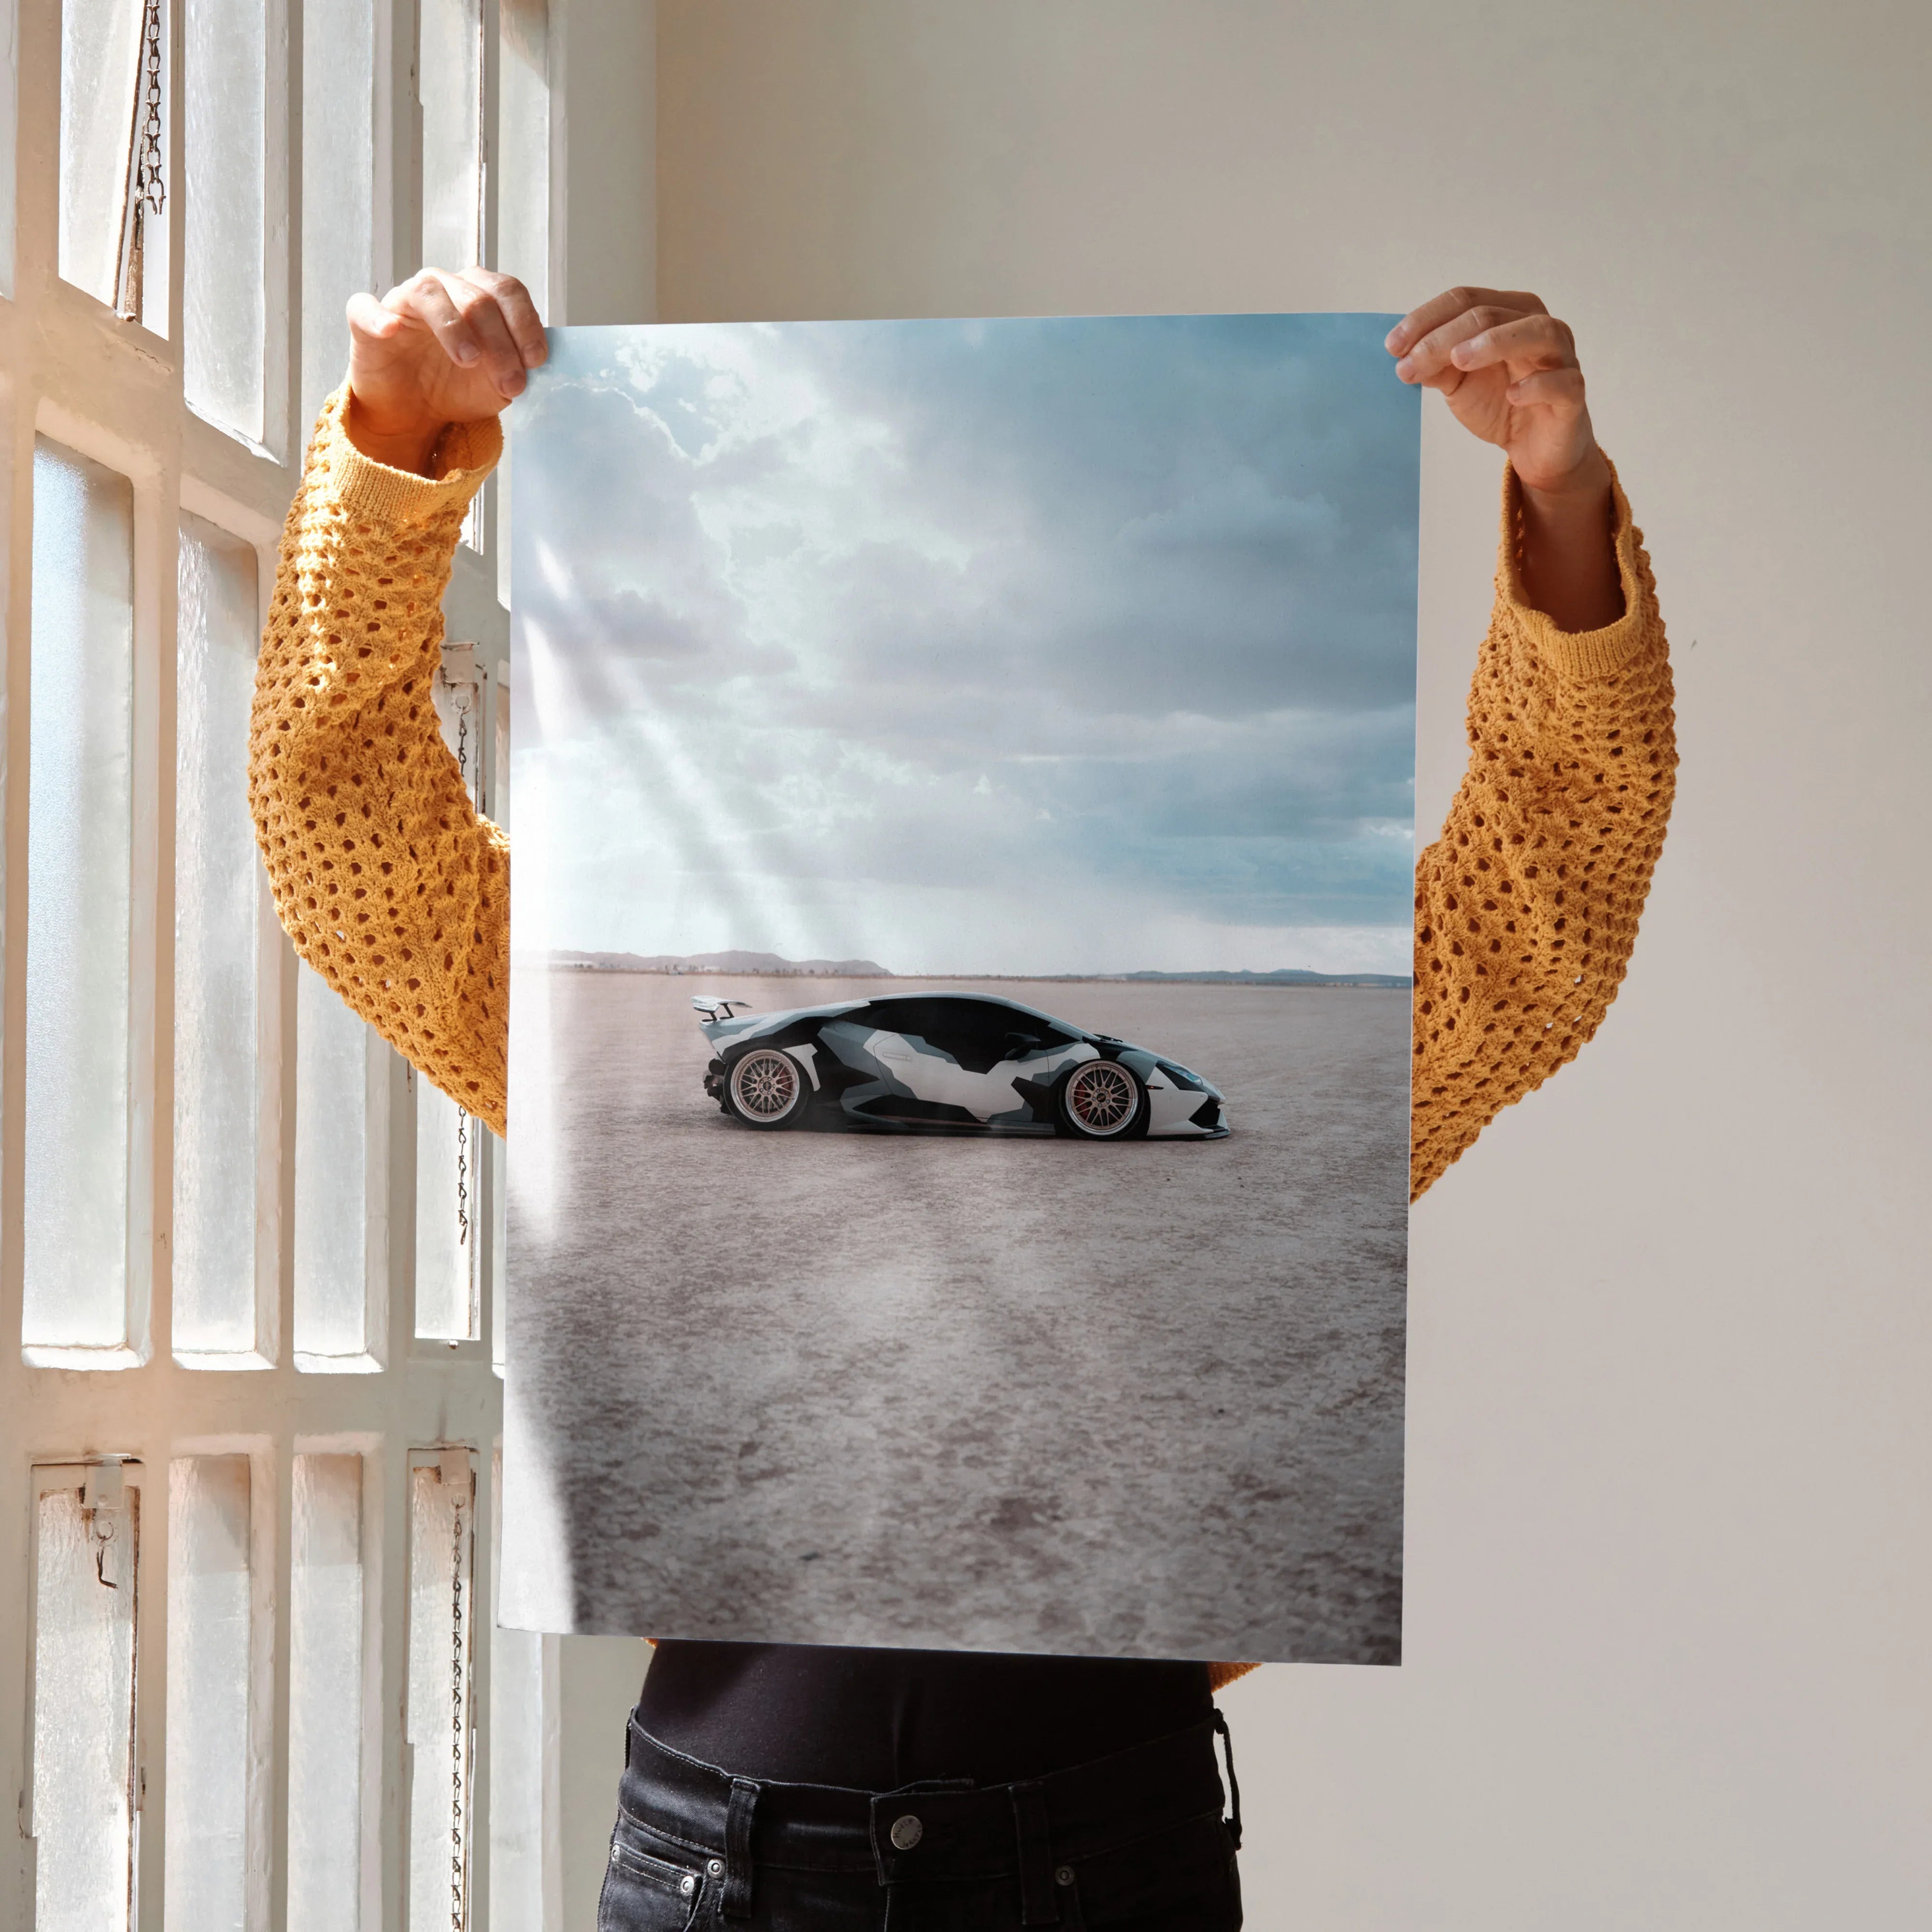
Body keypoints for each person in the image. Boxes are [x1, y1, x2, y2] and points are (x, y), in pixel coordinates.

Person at [250, 270, 1675, 1929]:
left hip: (1103, 1849)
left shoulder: (1135, 1065)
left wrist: (1561, 497)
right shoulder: (630, 1048)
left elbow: (1545, 908)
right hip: (728, 1862)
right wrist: (392, 448)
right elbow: (347, 841)